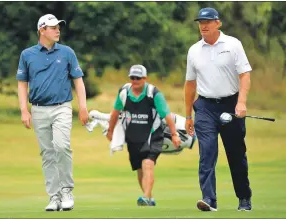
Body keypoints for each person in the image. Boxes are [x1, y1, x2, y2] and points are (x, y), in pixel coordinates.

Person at [16, 14, 88, 211]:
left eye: (58, 27)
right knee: (47, 154)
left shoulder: (67, 53)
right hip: (38, 109)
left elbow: (78, 81)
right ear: (42, 30)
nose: (58, 30)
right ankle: (54, 197)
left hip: (62, 107)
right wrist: (24, 110)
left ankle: (66, 191)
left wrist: (83, 107)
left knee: (62, 146)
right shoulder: (27, 55)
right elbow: (22, 84)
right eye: (53, 27)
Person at [184, 8, 253, 212]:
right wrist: (188, 115)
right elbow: (189, 84)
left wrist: (241, 103)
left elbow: (245, 75)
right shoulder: (194, 50)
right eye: (200, 22)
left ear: (218, 23)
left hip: (230, 105)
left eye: (207, 21)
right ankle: (209, 199)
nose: (203, 26)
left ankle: (244, 198)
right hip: (204, 107)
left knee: (236, 154)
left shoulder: (233, 44)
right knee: (207, 152)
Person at [106, 65, 181, 206]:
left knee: (147, 163)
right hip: (133, 136)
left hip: (153, 135)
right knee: (139, 169)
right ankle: (149, 198)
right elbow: (115, 112)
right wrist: (110, 131)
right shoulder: (123, 92)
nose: (135, 80)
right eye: (132, 78)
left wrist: (174, 134)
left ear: (145, 78)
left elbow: (167, 115)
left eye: (138, 78)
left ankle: (145, 197)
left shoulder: (153, 93)